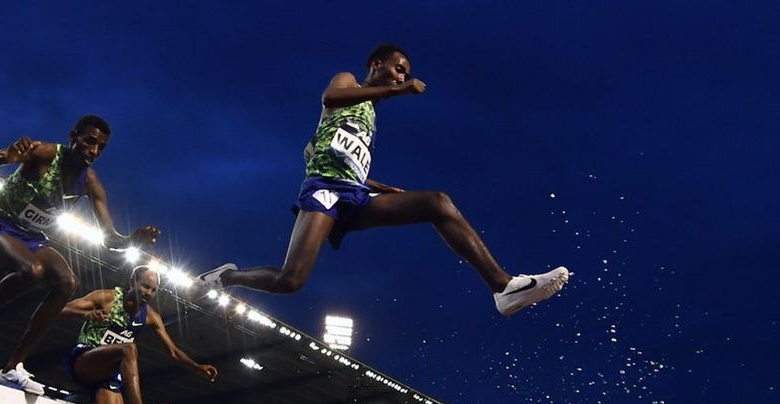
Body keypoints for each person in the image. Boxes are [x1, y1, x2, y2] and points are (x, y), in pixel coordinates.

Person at [197, 45, 569, 318]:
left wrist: (383, 188)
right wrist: (396, 90)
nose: (402, 77)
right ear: (376, 66)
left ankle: (503, 287)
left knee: (437, 202)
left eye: (405, 74)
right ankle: (228, 276)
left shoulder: (371, 118)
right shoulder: (348, 82)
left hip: (355, 195)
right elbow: (330, 98)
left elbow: (346, 163)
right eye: (398, 69)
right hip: (324, 191)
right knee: (291, 280)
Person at [0, 117, 161, 394]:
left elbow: (111, 239)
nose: (94, 150)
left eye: (101, 147)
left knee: (68, 283)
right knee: (34, 271)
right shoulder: (46, 153)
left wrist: (131, 239)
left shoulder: (90, 183)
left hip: (34, 238)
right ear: (73, 136)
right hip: (2, 223)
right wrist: (3, 156)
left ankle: (12, 367)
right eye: (90, 141)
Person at [60, 265, 217, 404]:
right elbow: (60, 309)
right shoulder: (106, 298)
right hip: (84, 361)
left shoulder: (150, 316)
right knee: (129, 348)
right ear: (132, 282)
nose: (148, 292)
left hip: (107, 375)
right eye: (145, 286)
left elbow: (173, 351)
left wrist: (196, 367)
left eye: (153, 290)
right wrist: (86, 314)